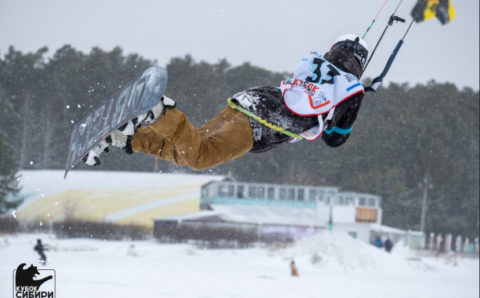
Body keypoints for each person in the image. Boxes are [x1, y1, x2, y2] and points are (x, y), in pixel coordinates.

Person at [85, 34, 369, 171]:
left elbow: (318, 102)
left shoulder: (316, 65)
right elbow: (334, 139)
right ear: (359, 66)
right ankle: (159, 112)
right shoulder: (350, 89)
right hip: (260, 123)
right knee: (200, 158)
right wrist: (354, 104)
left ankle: (125, 138)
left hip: (248, 101)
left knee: (187, 150)